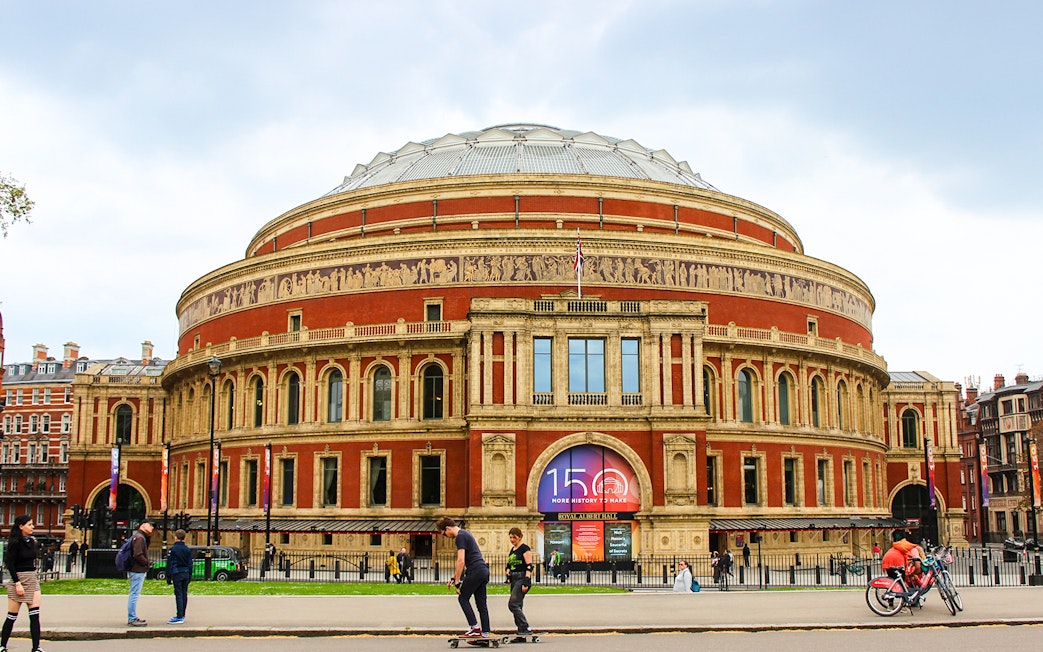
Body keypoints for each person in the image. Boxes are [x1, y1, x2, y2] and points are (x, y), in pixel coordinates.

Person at [437, 517, 491, 641]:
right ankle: (486, 632)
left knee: (463, 598)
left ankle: (474, 628)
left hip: (475, 570)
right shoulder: (466, 533)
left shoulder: (460, 536)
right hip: (483, 570)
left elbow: (461, 561)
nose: (446, 536)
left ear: (447, 528)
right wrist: (455, 576)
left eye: (444, 534)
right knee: (481, 604)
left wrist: (457, 582)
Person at [2, 515, 44, 652]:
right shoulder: (14, 543)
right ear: (21, 527)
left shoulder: (32, 541)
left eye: (32, 524)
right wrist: (17, 583)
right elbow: (10, 564)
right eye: (30, 524)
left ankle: (36, 648)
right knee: (12, 616)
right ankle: (3, 645)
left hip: (31, 578)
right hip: (18, 579)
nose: (33, 527)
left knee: (34, 614)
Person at [505, 527, 534, 639]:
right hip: (514, 578)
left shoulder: (524, 548)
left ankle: (525, 627)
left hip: (522, 578)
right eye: (511, 537)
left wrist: (526, 582)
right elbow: (509, 565)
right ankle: (521, 631)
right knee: (518, 605)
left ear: (520, 537)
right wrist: (508, 575)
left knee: (513, 604)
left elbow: (529, 565)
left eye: (514, 537)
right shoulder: (513, 550)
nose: (512, 539)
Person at [126, 521, 154, 627]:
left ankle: (132, 617)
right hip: (137, 570)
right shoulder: (139, 538)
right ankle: (132, 618)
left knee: (134, 594)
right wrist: (146, 563)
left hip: (136, 569)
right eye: (149, 525)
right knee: (134, 594)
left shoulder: (140, 537)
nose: (151, 527)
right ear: (142, 526)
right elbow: (137, 554)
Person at [165, 529, 192, 624]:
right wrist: (190, 575)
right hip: (186, 572)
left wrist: (168, 576)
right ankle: (183, 614)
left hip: (177, 573)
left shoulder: (173, 550)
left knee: (179, 594)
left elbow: (170, 563)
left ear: (175, 537)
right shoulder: (187, 549)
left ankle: (179, 616)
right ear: (184, 538)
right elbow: (190, 563)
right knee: (184, 594)